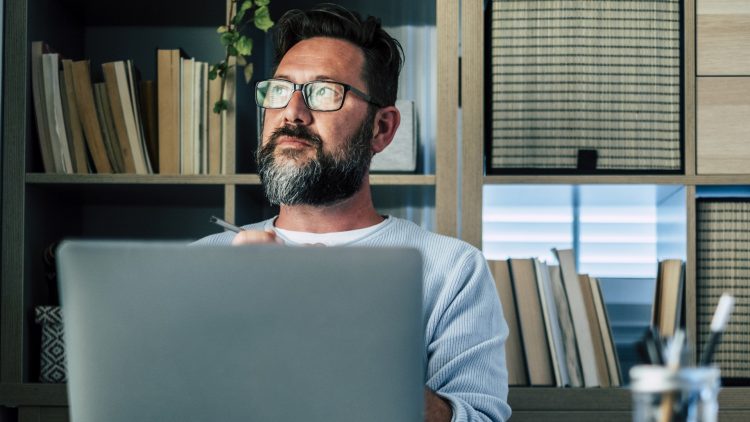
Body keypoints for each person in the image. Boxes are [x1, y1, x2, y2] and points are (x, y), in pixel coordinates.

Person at [195, 4, 510, 421]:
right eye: (278, 91)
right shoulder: (204, 262)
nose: (292, 113)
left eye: (324, 93)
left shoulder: (451, 269)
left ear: (382, 129)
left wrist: (334, 342)